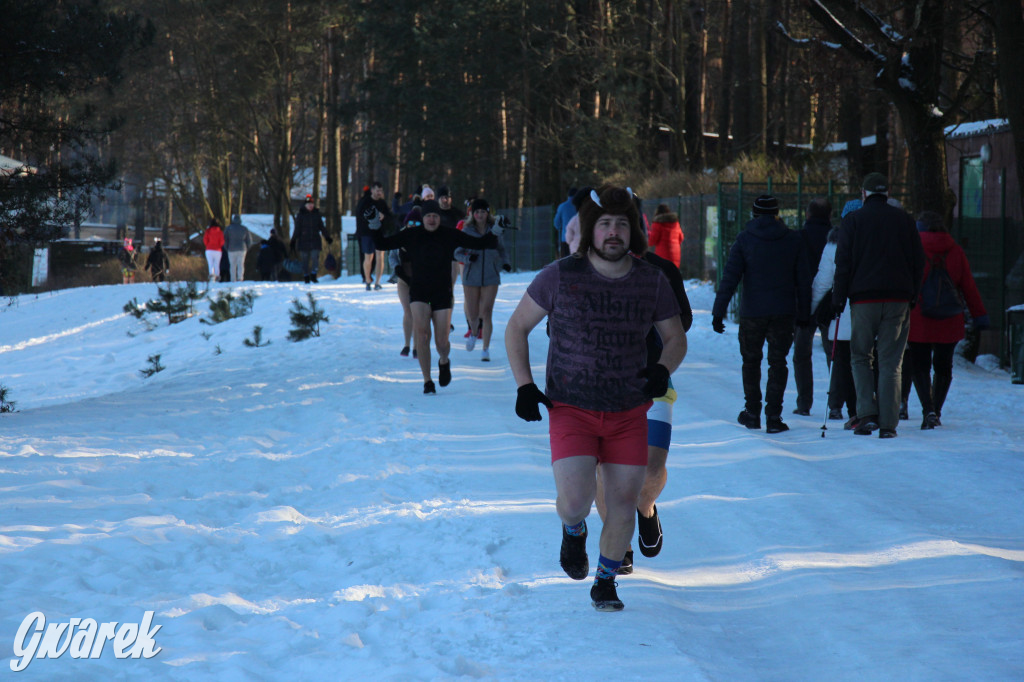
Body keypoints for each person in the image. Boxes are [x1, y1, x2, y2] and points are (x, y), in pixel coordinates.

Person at [505, 185, 686, 612]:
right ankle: (573, 531)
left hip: (628, 410)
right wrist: (525, 386)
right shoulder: (560, 275)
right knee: (574, 501)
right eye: (604, 224)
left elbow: (675, 337)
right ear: (589, 230)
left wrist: (663, 369)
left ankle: (605, 581)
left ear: (633, 231)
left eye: (621, 225)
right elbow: (516, 328)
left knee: (624, 502)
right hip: (571, 407)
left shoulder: (650, 281)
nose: (612, 233)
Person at [368, 199, 497, 393]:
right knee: (422, 334)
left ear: (439, 218)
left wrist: (497, 230)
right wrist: (374, 224)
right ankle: (427, 380)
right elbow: (381, 243)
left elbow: (480, 243)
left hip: (442, 292)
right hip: (418, 291)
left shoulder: (449, 234)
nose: (432, 219)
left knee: (441, 341)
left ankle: (444, 360)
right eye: (428, 216)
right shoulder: (411, 235)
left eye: (435, 216)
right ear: (423, 218)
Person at [832, 173, 925, 438]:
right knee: (891, 362)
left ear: (864, 193)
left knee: (860, 356)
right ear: (888, 192)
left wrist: (838, 297)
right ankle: (888, 424)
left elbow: (843, 263)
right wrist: (913, 294)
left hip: (863, 299)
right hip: (898, 299)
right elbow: (919, 262)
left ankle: (866, 414)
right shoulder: (905, 221)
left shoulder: (853, 221)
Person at [712, 194, 812, 434]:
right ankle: (774, 417)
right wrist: (804, 313)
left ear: (754, 214)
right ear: (777, 213)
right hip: (783, 311)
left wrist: (718, 311)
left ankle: (753, 413)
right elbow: (803, 281)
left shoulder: (745, 240)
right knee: (778, 363)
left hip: (752, 313)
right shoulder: (793, 240)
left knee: (751, 361)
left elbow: (730, 278)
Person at [907, 210, 989, 428]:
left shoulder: (913, 249)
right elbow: (968, 286)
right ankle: (937, 408)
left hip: (919, 317)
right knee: (944, 366)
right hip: (949, 317)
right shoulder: (955, 251)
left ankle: (927, 410)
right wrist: (980, 315)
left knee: (920, 365)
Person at [810, 225, 857, 426]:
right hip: (871, 311)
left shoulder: (833, 245)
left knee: (840, 360)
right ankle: (866, 407)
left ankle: (837, 405)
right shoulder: (874, 239)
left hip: (842, 312)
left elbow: (823, 281)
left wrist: (812, 310)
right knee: (867, 362)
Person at [454, 199, 511, 362]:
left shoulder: (495, 231)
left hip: (491, 276)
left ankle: (485, 349)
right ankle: (473, 332)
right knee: (473, 314)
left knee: (486, 312)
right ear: (472, 213)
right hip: (471, 276)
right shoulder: (466, 231)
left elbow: (501, 249)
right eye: (477, 212)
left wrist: (505, 263)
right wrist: (467, 257)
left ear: (488, 213)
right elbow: (457, 252)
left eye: (483, 212)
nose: (480, 215)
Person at [791, 198, 833, 415]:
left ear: (807, 215)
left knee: (801, 353)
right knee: (832, 352)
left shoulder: (799, 237)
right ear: (829, 216)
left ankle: (804, 403)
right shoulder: (836, 239)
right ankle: (835, 403)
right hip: (831, 302)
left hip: (804, 302)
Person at [391, 207, 422, 357]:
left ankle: (416, 346)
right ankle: (406, 345)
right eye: (410, 222)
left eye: (417, 223)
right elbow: (392, 256)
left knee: (417, 313)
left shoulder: (425, 237)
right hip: (403, 278)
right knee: (407, 312)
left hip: (420, 279)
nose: (413, 225)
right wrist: (396, 267)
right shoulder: (400, 236)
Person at [355, 183, 392, 290]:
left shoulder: (382, 203)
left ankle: (378, 282)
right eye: (377, 190)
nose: (379, 193)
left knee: (380, 257)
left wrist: (384, 216)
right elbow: (360, 216)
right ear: (372, 190)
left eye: (380, 190)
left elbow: (389, 216)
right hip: (367, 233)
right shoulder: (365, 202)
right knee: (368, 257)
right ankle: (367, 280)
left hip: (380, 233)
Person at [291, 194, 332, 284]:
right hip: (303, 240)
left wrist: (327, 237)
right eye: (309, 204)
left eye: (312, 204)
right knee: (305, 259)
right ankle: (306, 275)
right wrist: (293, 240)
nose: (310, 206)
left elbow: (321, 227)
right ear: (305, 205)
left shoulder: (316, 214)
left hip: (315, 240)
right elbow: (297, 229)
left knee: (315, 258)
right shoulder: (300, 215)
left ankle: (313, 275)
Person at [648, 203, 684, 269]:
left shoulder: (657, 224)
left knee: (663, 276)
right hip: (675, 254)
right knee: (673, 274)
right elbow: (681, 238)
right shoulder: (676, 223)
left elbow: (652, 241)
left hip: (662, 255)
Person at [563, 186, 592, 255]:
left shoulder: (574, 220)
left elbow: (568, 239)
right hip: (591, 251)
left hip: (576, 250)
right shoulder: (595, 219)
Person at [223, 214, 252, 282]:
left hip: (231, 249)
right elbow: (249, 240)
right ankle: (240, 278)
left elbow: (225, 239)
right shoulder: (244, 228)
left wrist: (226, 247)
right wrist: (247, 248)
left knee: (232, 265)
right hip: (242, 248)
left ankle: (233, 279)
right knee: (241, 264)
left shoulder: (228, 228)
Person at [553, 188, 577, 258]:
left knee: (565, 261)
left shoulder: (562, 206)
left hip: (565, 239)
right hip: (578, 239)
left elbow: (556, 224)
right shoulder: (581, 206)